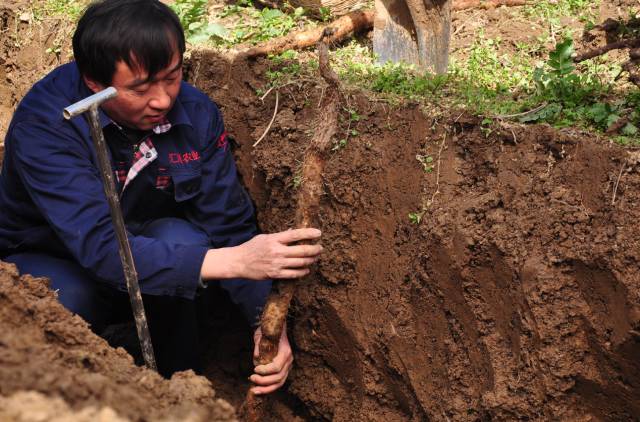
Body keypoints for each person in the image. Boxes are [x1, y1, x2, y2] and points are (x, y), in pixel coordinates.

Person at [0, 0, 322, 393]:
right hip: (56, 259)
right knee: (64, 298)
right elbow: (102, 249)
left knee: (183, 238)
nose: (164, 100)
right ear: (94, 84)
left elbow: (231, 227)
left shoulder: (196, 113)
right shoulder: (48, 124)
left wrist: (266, 326)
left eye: (172, 76)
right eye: (140, 88)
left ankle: (180, 388)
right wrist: (234, 261)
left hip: (154, 265)